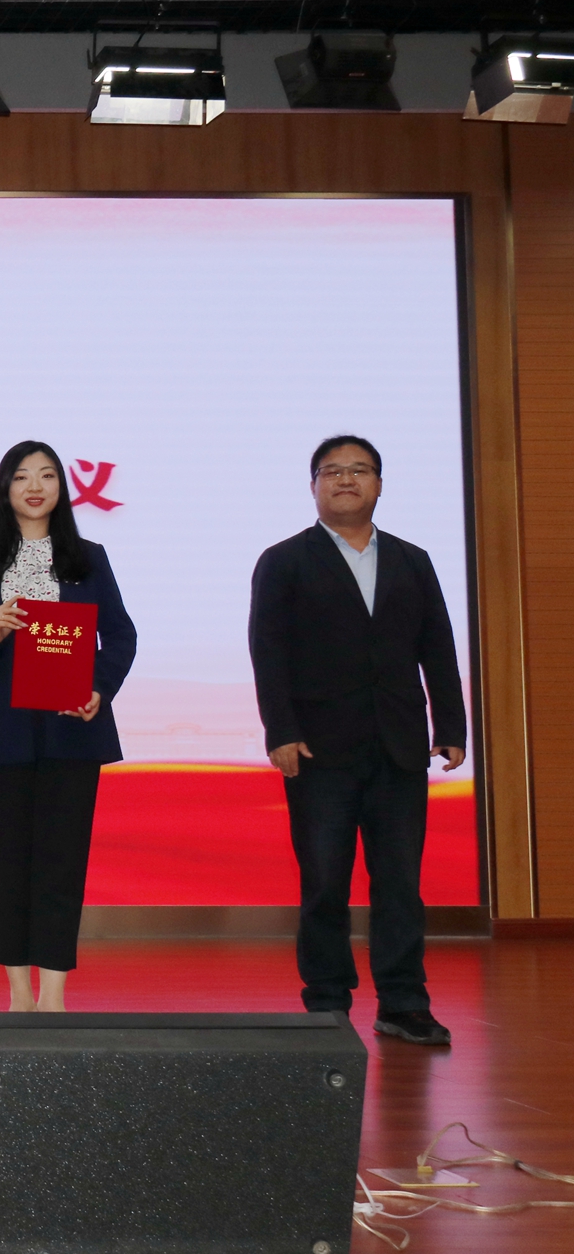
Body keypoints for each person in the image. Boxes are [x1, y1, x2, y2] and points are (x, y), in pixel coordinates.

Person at [248, 436, 466, 1046]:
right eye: (332, 471)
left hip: (399, 746)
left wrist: (450, 726)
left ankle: (404, 1002)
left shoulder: (412, 560)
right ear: (313, 486)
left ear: (379, 484)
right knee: (325, 883)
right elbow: (268, 652)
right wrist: (281, 731)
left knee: (400, 883)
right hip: (318, 749)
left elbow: (437, 646)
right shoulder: (284, 560)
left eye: (360, 470)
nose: (346, 479)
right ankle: (326, 1002)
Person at [0, 441, 136, 1013]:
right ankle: (19, 995)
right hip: (1, 734)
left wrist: (99, 689)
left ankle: (54, 997)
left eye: (47, 476)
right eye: (22, 476)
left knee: (62, 865)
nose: (35, 486)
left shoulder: (88, 558)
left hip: (72, 731)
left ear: (61, 488)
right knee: (9, 865)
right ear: (4, 488)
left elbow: (121, 635)